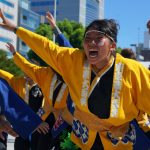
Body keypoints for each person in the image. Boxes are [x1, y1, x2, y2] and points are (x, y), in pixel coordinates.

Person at [1, 9, 150, 150]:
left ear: (112, 46)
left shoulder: (133, 70)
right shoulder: (74, 60)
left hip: (118, 142)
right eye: (88, 38)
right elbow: (47, 48)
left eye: (98, 39)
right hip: (84, 139)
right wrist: (15, 29)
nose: (91, 42)